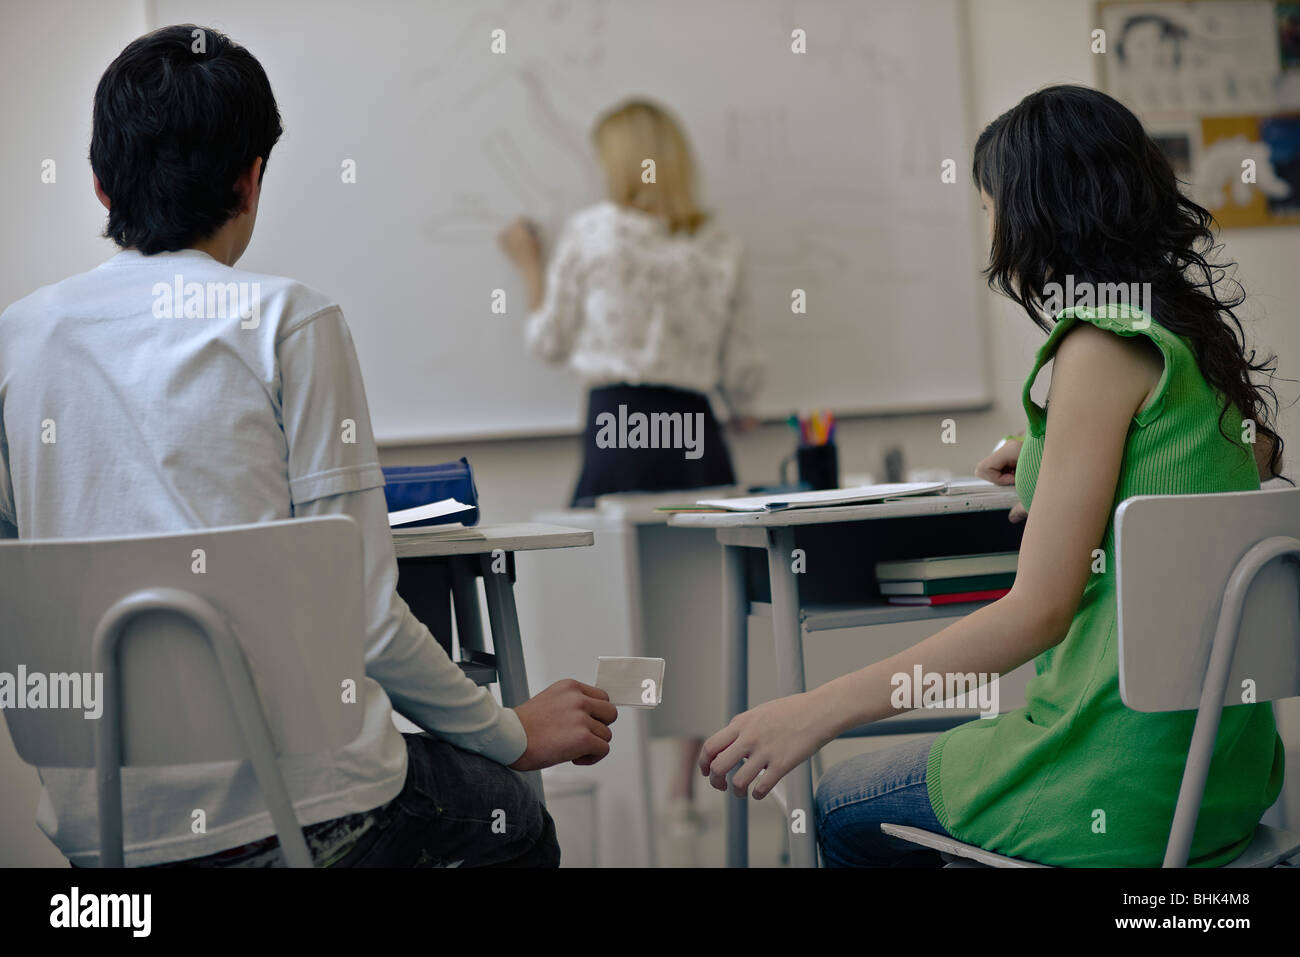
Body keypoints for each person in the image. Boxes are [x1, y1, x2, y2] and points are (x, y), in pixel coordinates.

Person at [0, 24, 617, 868]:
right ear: (251, 181)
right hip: (310, 820)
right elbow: (360, 618)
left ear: (103, 188)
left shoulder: (16, 340)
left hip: (105, 837)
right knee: (515, 821)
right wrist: (511, 732)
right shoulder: (290, 321)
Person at [698, 84, 1286, 867]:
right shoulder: (1192, 340)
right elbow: (1256, 457)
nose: (989, 228)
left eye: (988, 206)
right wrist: (1057, 451)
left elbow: (1035, 615)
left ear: (1039, 211)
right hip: (1220, 789)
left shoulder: (1095, 348)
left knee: (835, 802)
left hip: (1110, 781)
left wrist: (815, 709)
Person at [500, 99, 764, 835]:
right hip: (695, 432)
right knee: (697, 606)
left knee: (623, 612)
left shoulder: (592, 232)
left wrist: (527, 262)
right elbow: (743, 373)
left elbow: (550, 340)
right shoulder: (717, 244)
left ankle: (629, 790)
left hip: (620, 425)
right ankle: (683, 792)